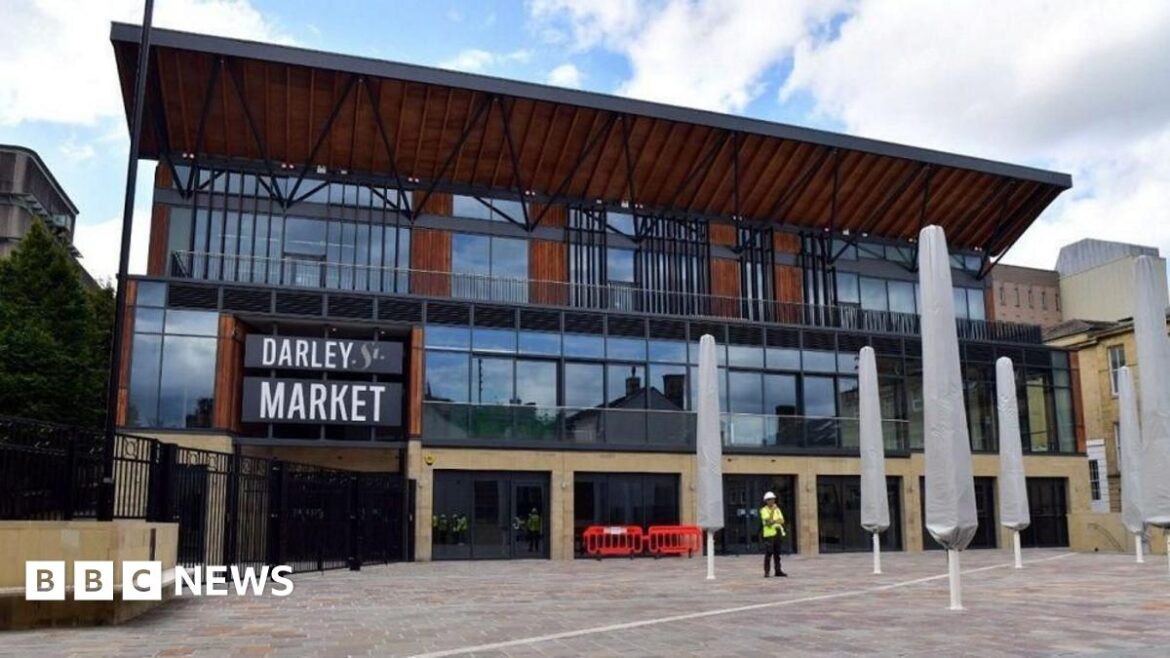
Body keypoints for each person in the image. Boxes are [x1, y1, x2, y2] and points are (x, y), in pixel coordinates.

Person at [760, 491, 788, 578]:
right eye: (770, 500)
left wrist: (773, 521)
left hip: (777, 532)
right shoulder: (764, 510)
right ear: (766, 501)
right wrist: (772, 512)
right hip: (769, 534)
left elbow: (782, 520)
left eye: (773, 499)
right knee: (769, 553)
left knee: (777, 553)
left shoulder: (777, 509)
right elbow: (768, 523)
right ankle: (767, 572)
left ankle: (778, 570)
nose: (772, 501)